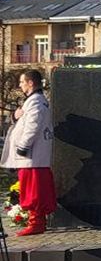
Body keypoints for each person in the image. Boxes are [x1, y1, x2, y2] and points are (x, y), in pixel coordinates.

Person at [1, 70, 57, 236]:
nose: (20, 85)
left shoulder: (36, 103)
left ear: (31, 83)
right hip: (32, 157)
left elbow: (32, 126)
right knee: (32, 188)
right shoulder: (34, 102)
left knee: (34, 190)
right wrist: (15, 117)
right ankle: (37, 221)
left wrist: (23, 147)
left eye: (22, 82)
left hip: (31, 156)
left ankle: (36, 222)